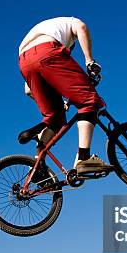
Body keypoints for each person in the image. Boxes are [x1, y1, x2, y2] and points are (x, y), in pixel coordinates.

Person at [18, 16, 113, 175]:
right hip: (48, 51)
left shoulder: (43, 30)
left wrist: (61, 102)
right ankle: (83, 158)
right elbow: (81, 27)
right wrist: (89, 61)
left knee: (55, 119)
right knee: (89, 101)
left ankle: (36, 164)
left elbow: (28, 91)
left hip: (24, 61)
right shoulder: (70, 22)